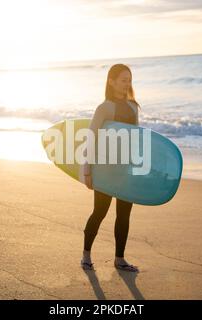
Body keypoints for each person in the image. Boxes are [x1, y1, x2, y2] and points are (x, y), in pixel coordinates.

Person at [81, 64, 140, 272]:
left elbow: (135, 140)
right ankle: (86, 255)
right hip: (105, 169)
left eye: (129, 80)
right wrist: (87, 170)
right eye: (123, 80)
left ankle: (119, 259)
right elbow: (91, 137)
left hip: (125, 169)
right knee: (99, 212)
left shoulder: (133, 107)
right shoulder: (104, 108)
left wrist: (137, 168)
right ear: (111, 81)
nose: (127, 84)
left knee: (124, 215)